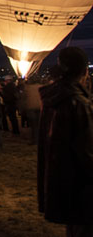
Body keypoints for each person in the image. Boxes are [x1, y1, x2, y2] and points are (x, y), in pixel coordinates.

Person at [37, 46, 93, 235]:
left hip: (64, 184)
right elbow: (87, 152)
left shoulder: (52, 100)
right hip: (84, 187)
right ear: (85, 71)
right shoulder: (79, 103)